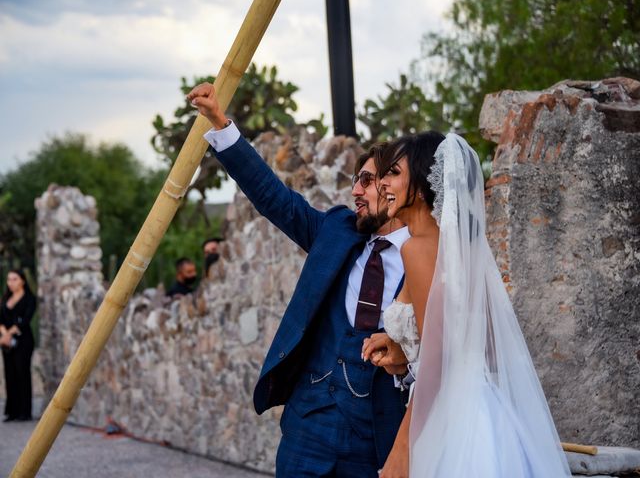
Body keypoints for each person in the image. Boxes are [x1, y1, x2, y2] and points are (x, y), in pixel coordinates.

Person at [187, 82, 411, 477]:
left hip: (377, 436)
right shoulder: (336, 231)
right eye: (355, 179)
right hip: (308, 426)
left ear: (396, 188)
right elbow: (274, 198)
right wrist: (221, 124)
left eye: (367, 181)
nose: (355, 190)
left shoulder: (426, 256)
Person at [364, 132, 571, 477]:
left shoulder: (416, 250)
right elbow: (479, 344)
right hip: (485, 409)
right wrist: (404, 347)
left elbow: (438, 360)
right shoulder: (462, 248)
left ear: (424, 179)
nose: (383, 182)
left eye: (393, 173)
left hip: (451, 419)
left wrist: (403, 448)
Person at [0, 269, 37, 422]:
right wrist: (3, 334)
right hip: (6, 342)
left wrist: (9, 334)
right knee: (10, 374)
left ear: (22, 280)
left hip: (23, 341)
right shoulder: (6, 298)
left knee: (22, 373)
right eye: (9, 279)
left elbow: (26, 319)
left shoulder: (29, 299)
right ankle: (12, 411)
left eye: (14, 279)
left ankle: (24, 411)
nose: (11, 282)